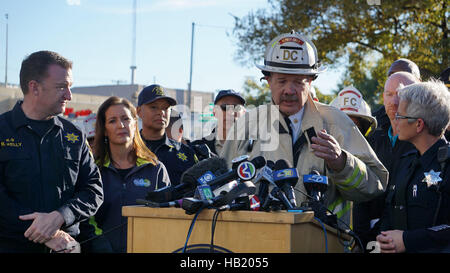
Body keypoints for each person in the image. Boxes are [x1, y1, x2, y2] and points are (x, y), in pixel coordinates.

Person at [221, 31, 388, 229]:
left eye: (298, 82)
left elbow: (375, 185)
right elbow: (220, 185)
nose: (289, 90)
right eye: (282, 81)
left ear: (310, 82)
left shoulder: (336, 124)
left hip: (322, 243)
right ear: (268, 81)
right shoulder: (246, 126)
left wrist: (342, 162)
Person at [0, 50, 103, 253]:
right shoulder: (2, 130)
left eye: (70, 87)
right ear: (34, 87)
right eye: (61, 87)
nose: (69, 95)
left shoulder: (74, 136)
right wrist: (45, 231)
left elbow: (93, 190)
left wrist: (61, 215)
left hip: (66, 247)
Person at [81, 96, 170, 253]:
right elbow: (85, 219)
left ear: (135, 124)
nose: (121, 125)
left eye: (125, 119)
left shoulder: (155, 169)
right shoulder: (92, 169)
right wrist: (101, 246)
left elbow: (167, 218)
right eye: (112, 121)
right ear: (105, 130)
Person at [377, 80, 450, 253]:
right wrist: (383, 239)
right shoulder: (406, 161)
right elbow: (390, 210)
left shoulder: (447, 165)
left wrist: (408, 240)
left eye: (400, 116)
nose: (395, 119)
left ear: (419, 124)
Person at [353, 71, 420, 251]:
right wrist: (361, 239)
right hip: (370, 239)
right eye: (389, 94)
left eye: (401, 94)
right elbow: (361, 190)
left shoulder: (424, 142)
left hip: (407, 239)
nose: (394, 101)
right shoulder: (373, 140)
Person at [137, 84, 198, 185]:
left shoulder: (186, 153)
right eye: (153, 107)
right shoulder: (128, 150)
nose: (161, 112)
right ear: (139, 111)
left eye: (165, 108)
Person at [192, 89, 246, 157]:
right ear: (214, 112)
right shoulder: (196, 149)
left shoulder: (256, 146)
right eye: (224, 107)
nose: (231, 113)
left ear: (244, 113)